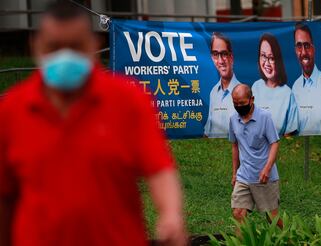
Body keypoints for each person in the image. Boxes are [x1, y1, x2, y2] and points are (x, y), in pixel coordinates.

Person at [0, 1, 187, 246]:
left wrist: (170, 214)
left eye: (75, 47)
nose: (64, 56)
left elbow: (159, 169)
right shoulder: (12, 111)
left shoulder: (128, 101)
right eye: (54, 47)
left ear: (94, 45)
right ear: (35, 45)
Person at [229, 84, 283, 229]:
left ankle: (289, 240)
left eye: (242, 103)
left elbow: (275, 143)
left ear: (251, 99)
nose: (238, 106)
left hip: (264, 177)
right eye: (235, 104)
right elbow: (235, 146)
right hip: (244, 176)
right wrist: (235, 173)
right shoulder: (233, 119)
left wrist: (267, 168)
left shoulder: (265, 117)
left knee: (272, 219)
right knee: (238, 213)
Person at [251, 33, 298, 136]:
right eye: (263, 56)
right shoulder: (255, 87)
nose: (267, 63)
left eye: (271, 58)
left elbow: (290, 133)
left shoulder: (287, 93)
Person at [292, 23, 321, 135]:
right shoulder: (295, 88)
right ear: (295, 50)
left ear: (313, 49)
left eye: (307, 45)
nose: (303, 52)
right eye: (299, 46)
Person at [204, 32, 241, 138]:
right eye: (215, 54)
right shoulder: (213, 92)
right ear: (212, 58)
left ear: (231, 57)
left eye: (224, 54)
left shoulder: (243, 92)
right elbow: (207, 132)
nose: (220, 61)